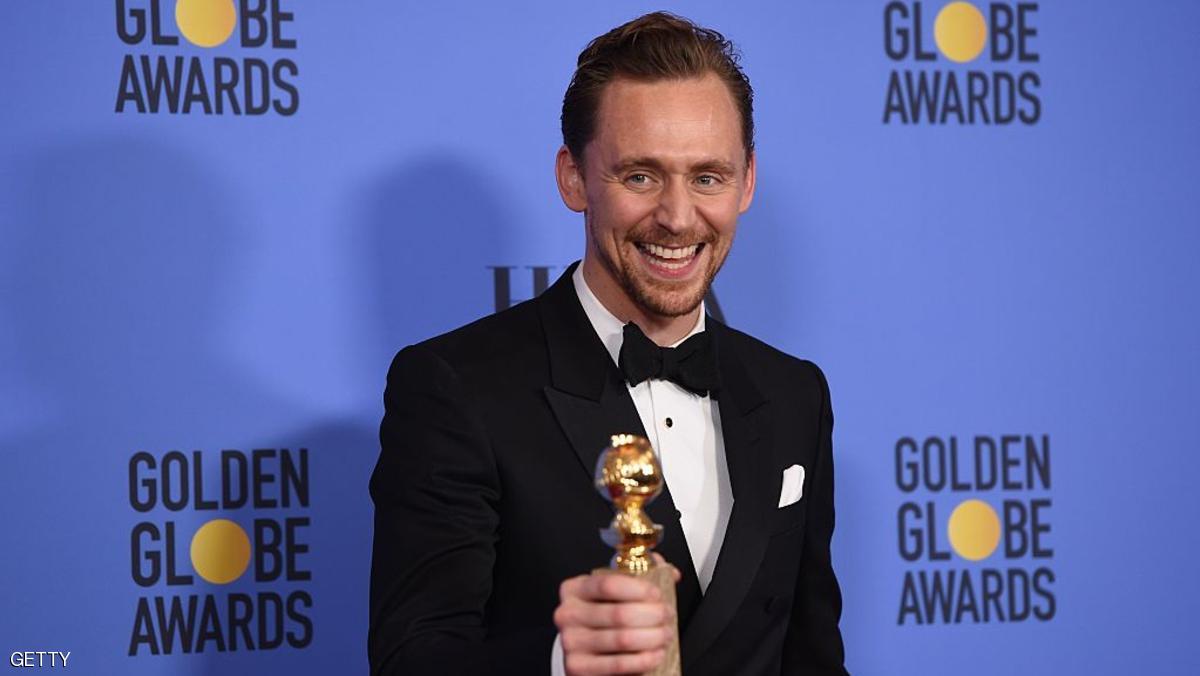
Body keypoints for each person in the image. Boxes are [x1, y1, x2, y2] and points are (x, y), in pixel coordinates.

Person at [369, 12, 848, 676]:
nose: (678, 217)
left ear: (747, 181)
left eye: (707, 176)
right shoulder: (457, 388)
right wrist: (564, 662)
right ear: (573, 178)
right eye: (641, 176)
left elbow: (812, 655)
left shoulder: (794, 392)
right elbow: (411, 658)